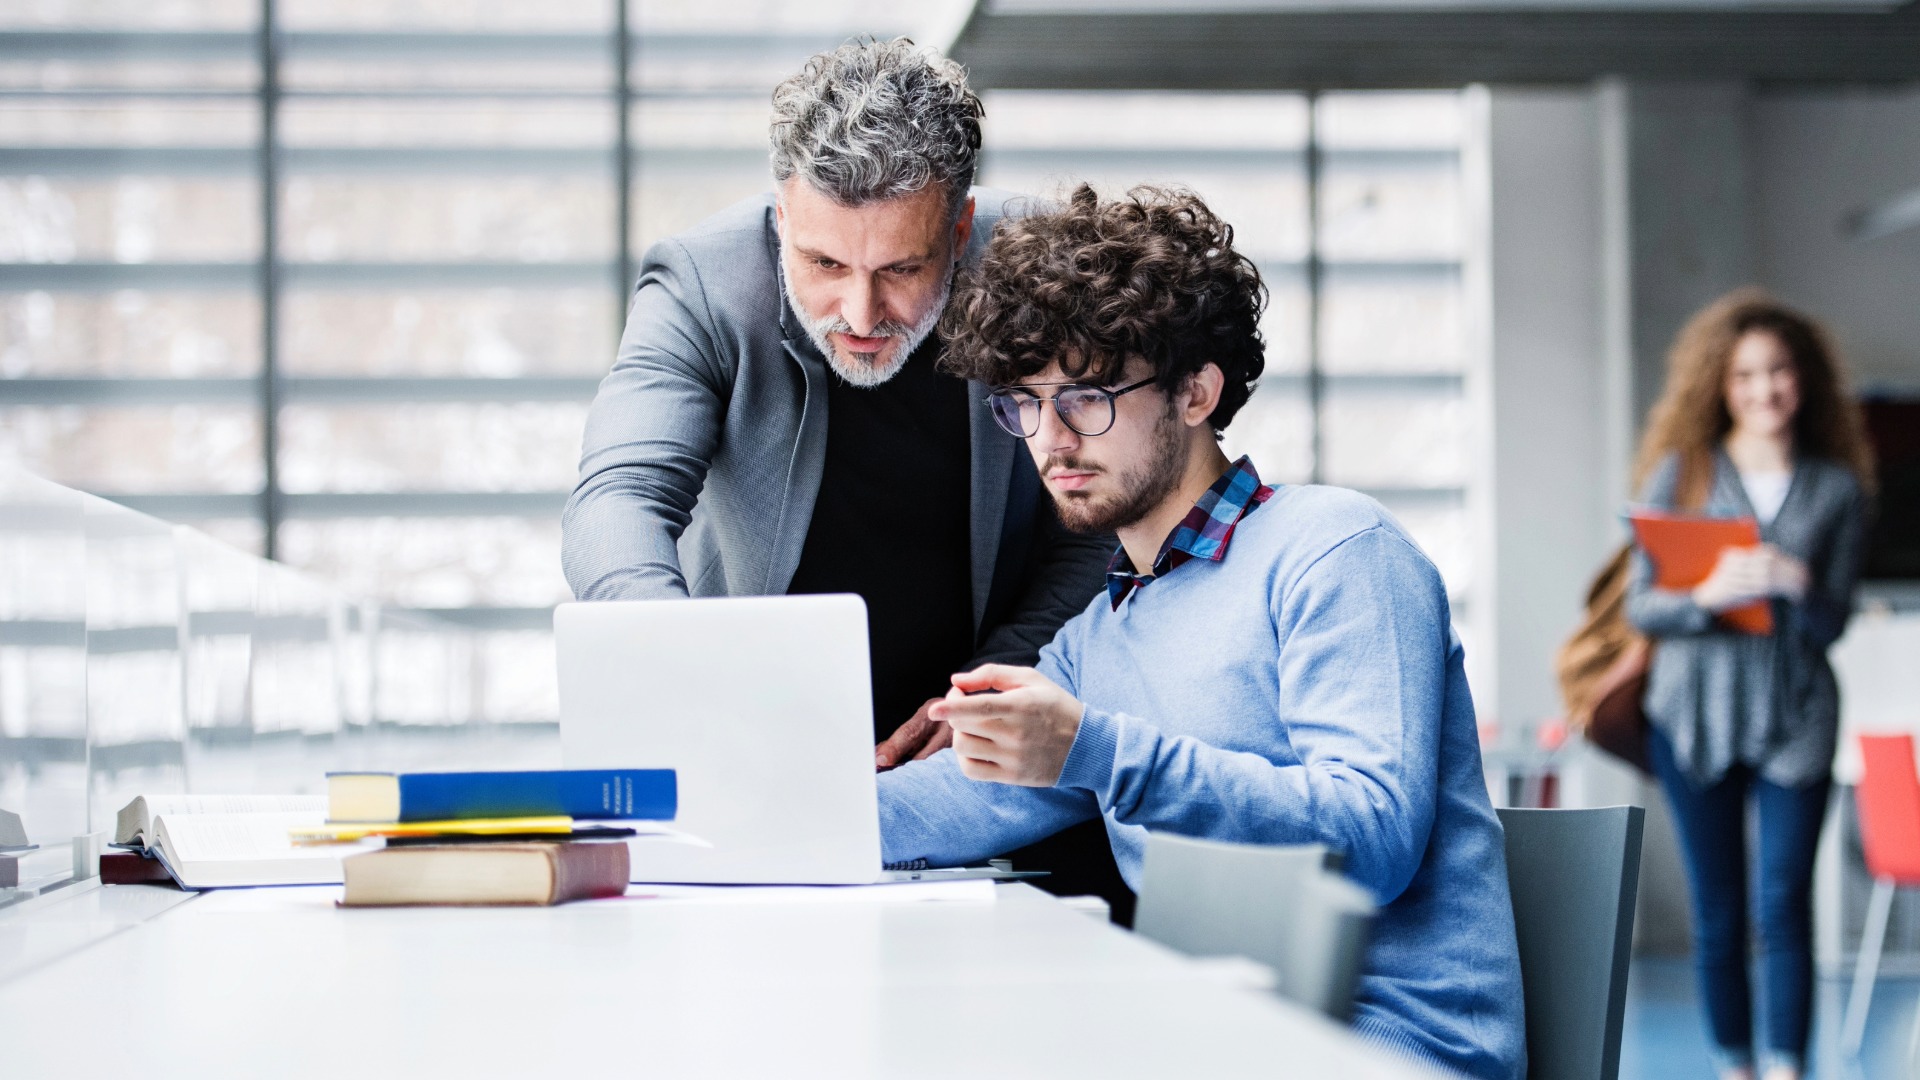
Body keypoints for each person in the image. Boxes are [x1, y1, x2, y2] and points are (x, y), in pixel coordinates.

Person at [877, 184, 1526, 1080]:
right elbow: (958, 803)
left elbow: (1370, 841)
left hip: (1390, 1049)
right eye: (1025, 401)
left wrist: (1098, 751)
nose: (1050, 440)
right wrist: (755, 811)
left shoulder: (1337, 551)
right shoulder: (1098, 637)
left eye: (1089, 396)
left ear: (1195, 392)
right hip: (1219, 1038)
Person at [560, 39, 1109, 766]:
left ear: (961, 228)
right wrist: (687, 667)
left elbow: (1095, 526)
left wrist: (1003, 683)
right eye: (824, 264)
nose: (860, 312)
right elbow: (616, 499)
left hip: (984, 743)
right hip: (744, 736)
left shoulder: (1041, 267)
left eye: (902, 269)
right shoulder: (703, 285)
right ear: (782, 216)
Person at [1626, 289, 1874, 1080]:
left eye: (1779, 372)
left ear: (1804, 381)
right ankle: (1734, 1065)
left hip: (1796, 714)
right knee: (1721, 911)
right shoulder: (1685, 472)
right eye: (1746, 376)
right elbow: (1642, 606)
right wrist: (1709, 595)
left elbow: (1833, 622)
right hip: (1693, 714)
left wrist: (1798, 582)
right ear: (1720, 386)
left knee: (1783, 903)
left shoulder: (1838, 490)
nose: (1765, 390)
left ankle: (1786, 1068)